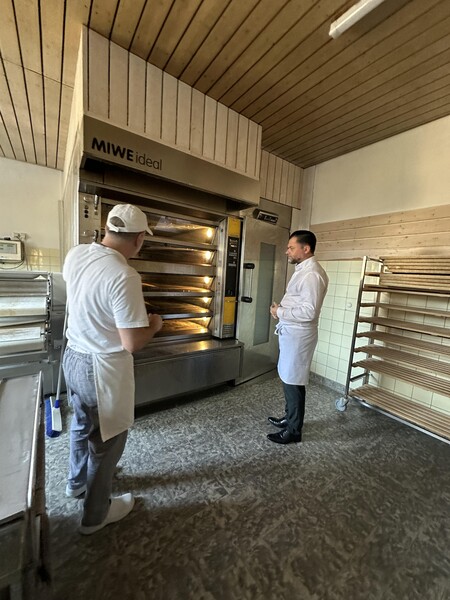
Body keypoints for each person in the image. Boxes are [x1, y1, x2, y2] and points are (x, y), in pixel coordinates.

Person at [62, 203, 163, 534]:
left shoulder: (76, 254)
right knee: (108, 442)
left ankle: (76, 482)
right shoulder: (124, 275)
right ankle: (95, 515)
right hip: (100, 368)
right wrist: (154, 326)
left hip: (73, 357)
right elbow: (132, 342)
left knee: (81, 425)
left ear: (107, 230)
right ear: (139, 239)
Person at [267, 230, 328, 444]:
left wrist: (280, 312)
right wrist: (281, 310)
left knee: (293, 381)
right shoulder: (303, 269)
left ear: (306, 248)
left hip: (299, 337)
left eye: (291, 248)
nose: (287, 252)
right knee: (289, 378)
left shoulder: (312, 274)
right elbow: (299, 302)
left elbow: (309, 312)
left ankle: (294, 431)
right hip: (292, 333)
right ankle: (289, 417)